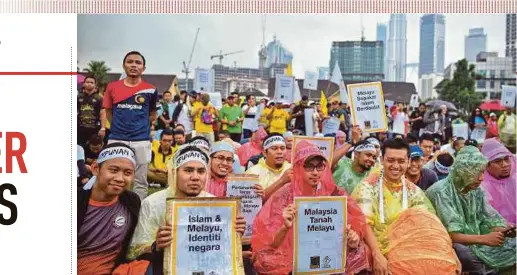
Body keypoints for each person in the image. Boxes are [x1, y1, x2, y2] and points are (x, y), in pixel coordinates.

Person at [251, 141, 372, 275]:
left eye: (319, 167)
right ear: (298, 167)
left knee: (362, 252)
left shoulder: (335, 192)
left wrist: (353, 237)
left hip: (328, 251)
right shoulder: (284, 195)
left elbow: (356, 221)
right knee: (264, 259)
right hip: (292, 254)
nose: (315, 172)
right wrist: (284, 228)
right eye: (309, 167)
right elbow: (269, 243)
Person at [126, 145, 246, 273]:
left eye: (201, 171)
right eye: (188, 170)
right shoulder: (153, 204)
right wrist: (157, 245)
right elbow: (133, 253)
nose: (195, 177)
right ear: (174, 173)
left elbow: (220, 249)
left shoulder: (215, 204)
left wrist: (234, 235)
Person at [352, 138, 461, 274]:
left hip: (406, 245)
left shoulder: (412, 190)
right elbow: (364, 223)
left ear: (408, 162)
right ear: (381, 160)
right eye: (391, 160)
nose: (396, 166)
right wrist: (377, 254)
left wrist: (449, 250)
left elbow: (430, 221)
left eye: (401, 161)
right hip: (376, 246)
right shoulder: (368, 187)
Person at [426, 146, 516, 274]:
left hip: (477, 239)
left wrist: (500, 230)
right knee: (463, 252)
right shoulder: (441, 192)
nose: (481, 178)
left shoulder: (475, 190)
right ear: (462, 172)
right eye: (476, 173)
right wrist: (485, 239)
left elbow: (485, 219)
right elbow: (451, 235)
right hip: (449, 243)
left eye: (482, 172)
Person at [102, 51, 158, 200]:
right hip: (117, 138)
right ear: (124, 65)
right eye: (130, 62)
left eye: (138, 63)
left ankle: (137, 211)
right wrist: (119, 127)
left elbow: (152, 114)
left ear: (143, 68)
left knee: (140, 180)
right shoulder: (112, 87)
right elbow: (108, 111)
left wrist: (140, 127)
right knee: (114, 178)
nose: (133, 65)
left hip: (141, 140)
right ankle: (114, 208)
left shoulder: (151, 89)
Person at [78, 143, 141, 275]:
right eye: (113, 170)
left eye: (127, 173)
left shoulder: (132, 202)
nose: (119, 178)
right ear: (95, 168)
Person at [246, 134, 292, 201]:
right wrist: (282, 181)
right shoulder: (252, 173)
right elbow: (250, 205)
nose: (279, 152)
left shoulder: (292, 169)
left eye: (282, 148)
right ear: (265, 153)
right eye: (274, 148)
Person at [481, 138, 516, 224]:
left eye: (506, 159)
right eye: (498, 161)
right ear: (486, 165)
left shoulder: (514, 179)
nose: (505, 165)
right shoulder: (482, 187)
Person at [78, 76, 105, 148]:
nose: (89, 84)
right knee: (79, 147)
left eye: (92, 82)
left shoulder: (99, 98)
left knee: (94, 147)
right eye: (87, 82)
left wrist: (103, 128)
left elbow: (102, 113)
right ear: (83, 84)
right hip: (80, 127)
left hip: (94, 128)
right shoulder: (78, 97)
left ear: (95, 85)